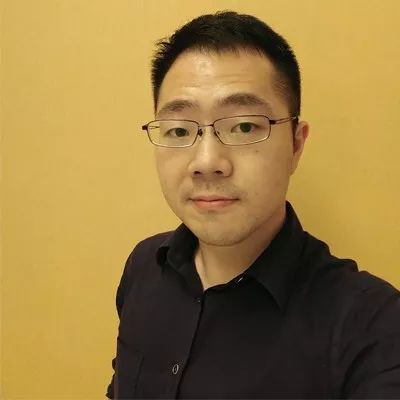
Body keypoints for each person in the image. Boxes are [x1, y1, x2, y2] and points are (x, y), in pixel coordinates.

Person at [106, 11, 400, 399]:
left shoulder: (372, 325)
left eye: (244, 126)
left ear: (296, 144)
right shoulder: (144, 267)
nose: (206, 162)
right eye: (179, 129)